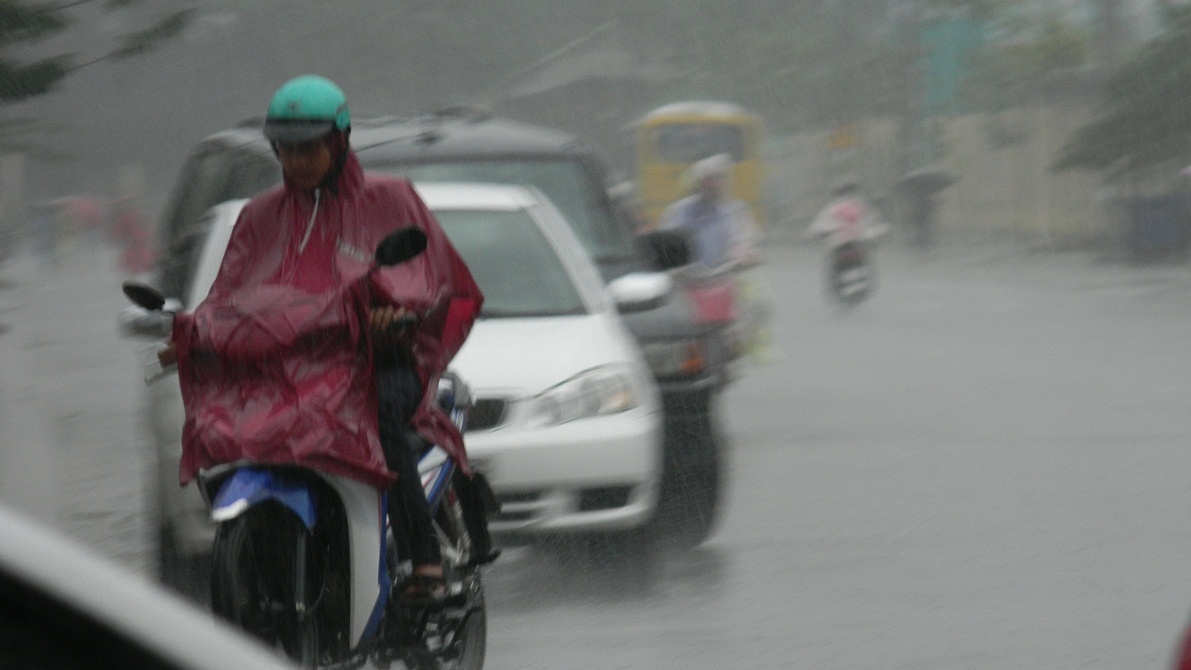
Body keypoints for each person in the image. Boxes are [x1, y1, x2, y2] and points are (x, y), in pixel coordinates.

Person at [160, 74, 492, 605]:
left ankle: (423, 554)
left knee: (380, 415)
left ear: (339, 140)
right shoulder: (258, 216)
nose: (295, 161)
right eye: (285, 150)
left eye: (308, 148)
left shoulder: (390, 199)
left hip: (376, 364)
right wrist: (196, 332)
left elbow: (424, 276)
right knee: (235, 424)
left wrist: (396, 313)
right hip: (294, 373)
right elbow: (232, 296)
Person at [656, 153, 759, 270]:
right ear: (698, 183)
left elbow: (744, 240)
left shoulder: (736, 211)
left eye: (721, 178)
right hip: (689, 280)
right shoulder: (680, 211)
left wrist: (744, 253)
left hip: (727, 278)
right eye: (710, 179)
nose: (716, 184)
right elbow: (666, 244)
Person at [806, 178, 889, 247]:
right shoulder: (862, 205)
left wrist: (817, 233)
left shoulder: (833, 207)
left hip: (846, 247)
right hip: (855, 246)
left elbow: (820, 224)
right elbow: (874, 221)